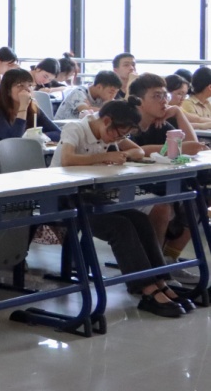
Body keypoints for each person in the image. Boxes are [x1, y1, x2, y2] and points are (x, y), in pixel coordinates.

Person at [49, 99, 187, 318]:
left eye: (123, 136)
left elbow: (138, 151)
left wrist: (124, 154)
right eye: (117, 135)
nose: (117, 140)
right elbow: (67, 159)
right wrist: (105, 156)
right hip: (63, 199)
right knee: (120, 226)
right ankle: (147, 288)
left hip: (92, 196)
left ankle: (160, 280)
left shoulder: (113, 132)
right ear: (106, 121)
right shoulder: (76, 128)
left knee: (139, 220)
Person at [126, 73, 200, 155]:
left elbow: (194, 147)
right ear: (138, 101)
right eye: (157, 96)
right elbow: (129, 151)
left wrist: (178, 112)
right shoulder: (125, 124)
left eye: (165, 95)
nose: (164, 101)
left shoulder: (160, 124)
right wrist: (173, 148)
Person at [0, 69, 62, 142]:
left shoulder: (33, 109)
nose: (27, 89)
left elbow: (59, 133)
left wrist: (39, 136)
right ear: (8, 91)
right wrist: (23, 107)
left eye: (30, 85)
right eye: (20, 86)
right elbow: (14, 141)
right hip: (0, 153)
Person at [55, 71, 122, 120]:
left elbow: (115, 112)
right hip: (63, 128)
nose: (113, 96)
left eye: (116, 92)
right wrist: (106, 109)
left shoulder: (104, 97)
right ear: (99, 87)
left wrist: (92, 108)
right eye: (111, 92)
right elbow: (86, 112)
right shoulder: (79, 92)